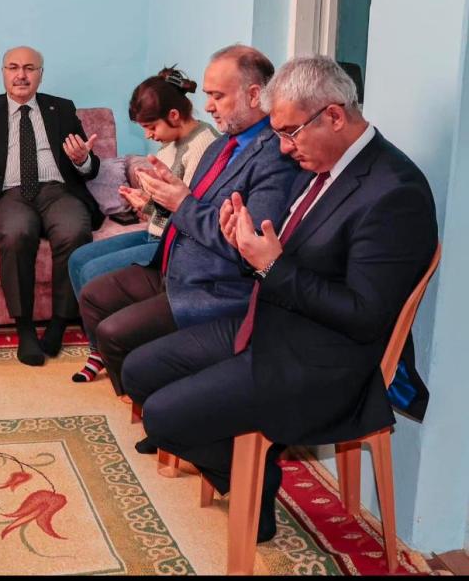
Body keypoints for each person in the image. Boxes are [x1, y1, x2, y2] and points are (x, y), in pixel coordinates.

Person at [124, 55, 437, 543]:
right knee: (138, 372)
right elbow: (294, 249)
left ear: (334, 116)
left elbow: (363, 316)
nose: (285, 148)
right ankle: (249, 475)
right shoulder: (327, 162)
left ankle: (255, 482)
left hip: (325, 358)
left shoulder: (394, 192)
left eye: (291, 133)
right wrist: (245, 240)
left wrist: (271, 265)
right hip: (271, 320)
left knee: (165, 416)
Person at [78, 45, 300, 413]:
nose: (208, 106)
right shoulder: (223, 146)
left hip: (212, 285)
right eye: (208, 95)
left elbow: (246, 247)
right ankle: (150, 403)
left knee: (114, 334)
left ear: (254, 95)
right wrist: (164, 199)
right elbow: (192, 208)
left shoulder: (275, 157)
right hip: (172, 265)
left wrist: (180, 202)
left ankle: (158, 410)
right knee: (93, 295)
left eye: (217, 96)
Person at [69, 67, 221, 383]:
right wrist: (146, 204)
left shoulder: (203, 146)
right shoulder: (171, 142)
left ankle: (111, 346)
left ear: (174, 115)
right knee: (78, 259)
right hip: (158, 232)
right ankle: (99, 348)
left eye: (151, 127)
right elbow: (166, 205)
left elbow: (190, 212)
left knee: (94, 271)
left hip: (176, 242)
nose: (148, 136)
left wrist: (151, 207)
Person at [0, 46, 102, 366]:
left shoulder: (62, 109)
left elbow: (90, 168)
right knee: (17, 234)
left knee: (75, 232)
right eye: (13, 67)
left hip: (57, 191)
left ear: (40, 75)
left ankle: (60, 321)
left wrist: (82, 160)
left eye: (29, 68)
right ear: (3, 73)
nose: (21, 75)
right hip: (9, 194)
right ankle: (25, 328)